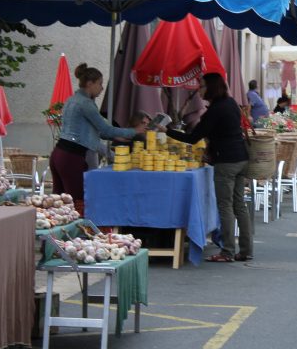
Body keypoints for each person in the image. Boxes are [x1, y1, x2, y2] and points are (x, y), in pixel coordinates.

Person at [166, 73, 252, 263]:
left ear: (211, 88)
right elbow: (224, 131)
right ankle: (246, 250)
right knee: (239, 205)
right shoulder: (230, 103)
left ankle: (228, 251)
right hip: (241, 158)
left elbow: (192, 138)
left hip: (226, 162)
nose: (200, 89)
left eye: (202, 86)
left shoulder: (214, 110)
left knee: (225, 206)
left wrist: (167, 131)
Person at [50, 63, 144, 213]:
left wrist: (120, 136)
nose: (101, 88)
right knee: (77, 201)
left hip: (58, 154)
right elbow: (105, 128)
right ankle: (78, 234)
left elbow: (97, 132)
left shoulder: (71, 100)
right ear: (89, 83)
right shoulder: (85, 104)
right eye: (100, 84)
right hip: (71, 157)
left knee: (59, 202)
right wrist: (135, 131)